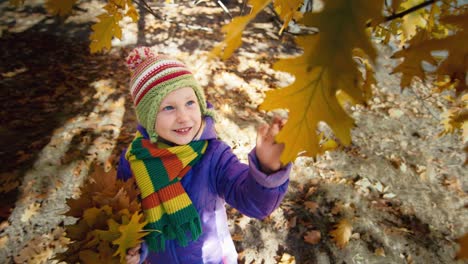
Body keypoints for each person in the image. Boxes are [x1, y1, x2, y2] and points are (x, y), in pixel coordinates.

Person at [117, 46, 292, 264]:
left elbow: (253, 203)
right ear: (148, 118)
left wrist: (267, 169)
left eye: (190, 103)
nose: (183, 117)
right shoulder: (133, 160)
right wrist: (136, 250)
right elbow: (133, 218)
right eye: (168, 108)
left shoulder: (213, 156)